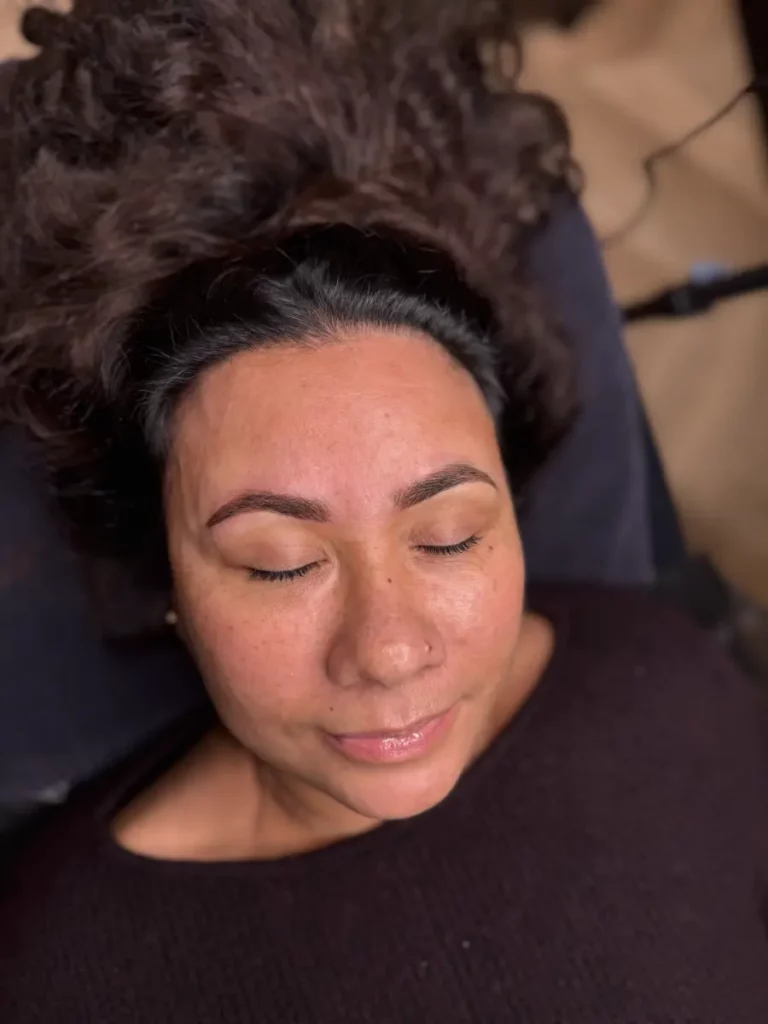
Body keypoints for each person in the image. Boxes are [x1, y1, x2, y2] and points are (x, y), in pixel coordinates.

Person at [1, 2, 766, 1021]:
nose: (392, 651)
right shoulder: (67, 972)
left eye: (450, 536)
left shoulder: (664, 676)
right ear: (169, 573)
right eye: (279, 560)